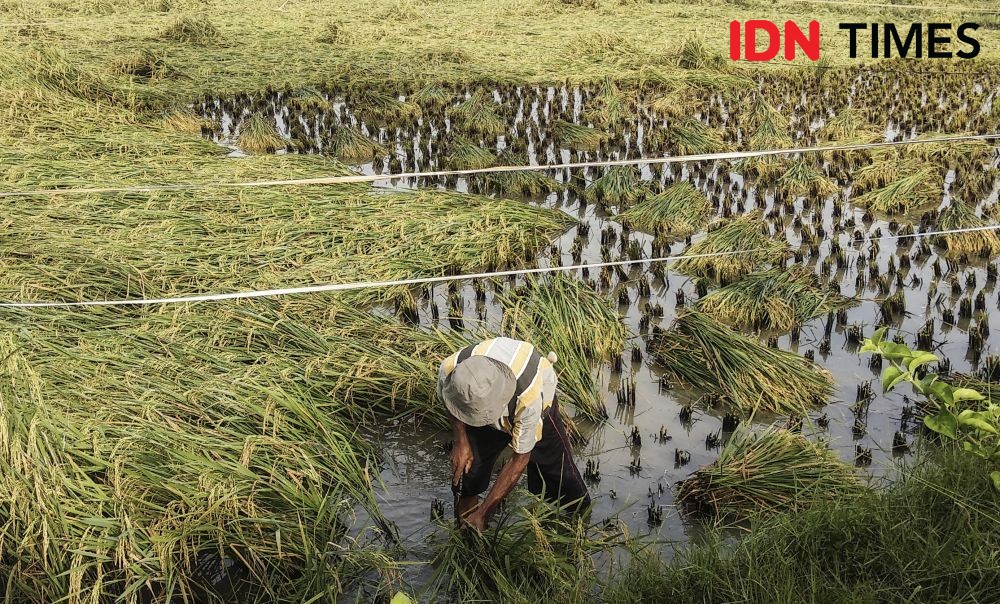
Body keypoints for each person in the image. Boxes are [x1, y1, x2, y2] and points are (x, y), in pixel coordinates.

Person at [437, 336, 591, 531]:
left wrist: (484, 512)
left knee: (559, 476)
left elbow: (519, 460)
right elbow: (449, 401)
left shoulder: (529, 398)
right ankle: (467, 532)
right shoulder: (451, 371)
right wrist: (461, 441)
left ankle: (578, 525)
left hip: (536, 404)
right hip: (480, 402)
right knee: (470, 470)